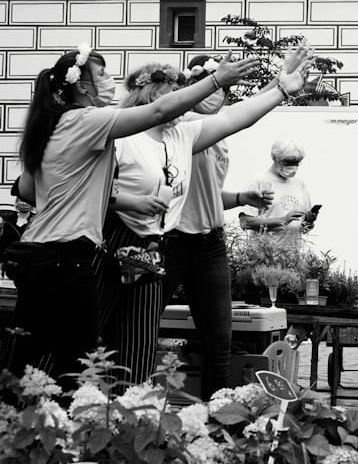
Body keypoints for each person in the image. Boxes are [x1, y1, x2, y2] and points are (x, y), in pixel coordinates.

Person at [5, 45, 256, 388]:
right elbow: (157, 112)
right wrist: (216, 80)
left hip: (36, 253)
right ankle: (83, 427)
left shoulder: (50, 124)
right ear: (82, 86)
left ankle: (22, 426)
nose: (111, 82)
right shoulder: (89, 120)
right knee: (76, 362)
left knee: (33, 356)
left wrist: (120, 200)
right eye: (103, 75)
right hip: (71, 254)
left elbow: (29, 190)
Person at [98, 52, 310, 386]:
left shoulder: (183, 134)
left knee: (214, 341)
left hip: (184, 242)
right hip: (133, 241)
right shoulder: (122, 134)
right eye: (176, 93)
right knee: (126, 337)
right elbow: (94, 193)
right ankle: (117, 411)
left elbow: (237, 116)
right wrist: (132, 202)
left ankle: (215, 419)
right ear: (156, 98)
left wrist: (282, 89)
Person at [161, 53, 291, 399]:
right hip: (171, 241)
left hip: (210, 242)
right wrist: (279, 86)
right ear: (194, 86)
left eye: (225, 89)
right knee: (143, 332)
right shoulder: (181, 123)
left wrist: (240, 197)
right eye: (214, 85)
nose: (220, 96)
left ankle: (214, 417)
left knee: (220, 341)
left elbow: (205, 193)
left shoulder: (219, 130)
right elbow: (241, 116)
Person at [241, 138, 318, 248]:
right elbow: (245, 222)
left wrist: (309, 222)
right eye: (288, 162)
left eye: (296, 163)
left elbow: (304, 229)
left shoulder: (300, 184)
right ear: (275, 158)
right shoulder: (258, 181)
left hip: (292, 258)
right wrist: (282, 220)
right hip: (263, 257)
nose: (292, 166)